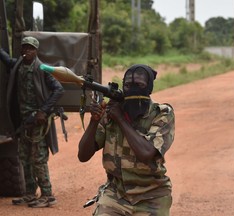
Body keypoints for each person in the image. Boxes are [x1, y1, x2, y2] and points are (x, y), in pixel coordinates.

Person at [78, 64, 175, 215]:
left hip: (152, 195)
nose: (133, 89)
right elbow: (83, 156)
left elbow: (146, 153)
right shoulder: (112, 111)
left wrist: (121, 120)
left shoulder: (161, 114)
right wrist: (94, 120)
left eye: (139, 85)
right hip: (116, 193)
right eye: (128, 85)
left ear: (148, 87)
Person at [0, 36, 64, 208]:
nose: (27, 51)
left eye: (31, 48)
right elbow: (6, 59)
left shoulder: (42, 68)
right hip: (23, 122)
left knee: (38, 159)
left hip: (37, 122)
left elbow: (58, 89)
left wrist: (43, 111)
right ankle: (30, 193)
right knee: (24, 158)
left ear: (36, 51)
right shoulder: (18, 66)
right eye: (25, 48)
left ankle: (47, 195)